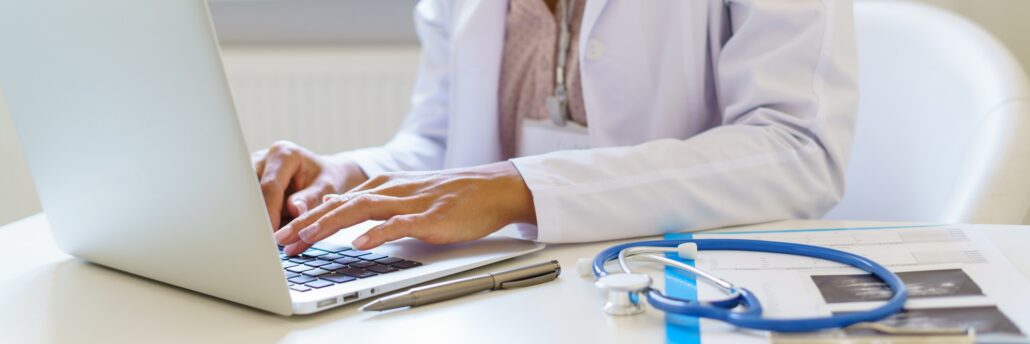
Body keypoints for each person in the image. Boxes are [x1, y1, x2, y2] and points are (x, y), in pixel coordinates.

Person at [255, 0, 859, 256]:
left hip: (680, 289)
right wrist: (349, 175)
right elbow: (444, 141)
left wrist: (521, 188)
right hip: (502, 300)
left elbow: (798, 148)